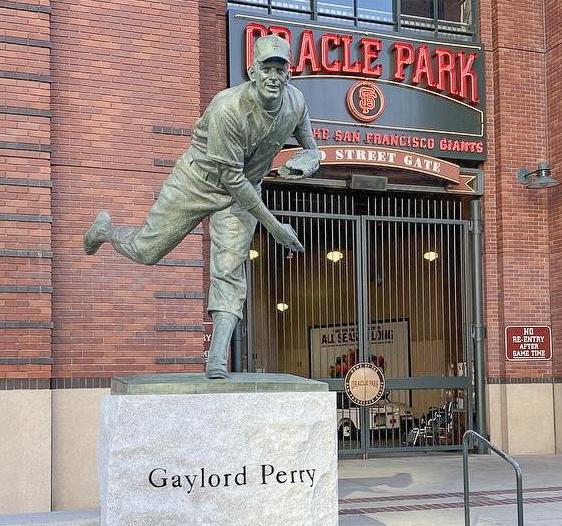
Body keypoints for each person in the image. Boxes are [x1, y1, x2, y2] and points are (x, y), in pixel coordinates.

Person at [83, 35, 320, 379]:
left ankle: (217, 359)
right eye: (266, 68)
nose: (273, 77)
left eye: (279, 69)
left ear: (288, 74)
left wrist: (308, 161)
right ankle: (105, 231)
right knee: (147, 250)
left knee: (229, 269)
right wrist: (275, 227)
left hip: (243, 192)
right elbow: (230, 178)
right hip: (198, 182)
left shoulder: (296, 102)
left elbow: (311, 148)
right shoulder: (228, 108)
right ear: (252, 71)